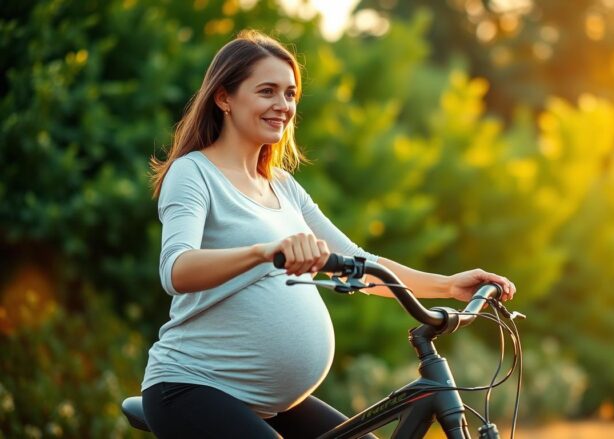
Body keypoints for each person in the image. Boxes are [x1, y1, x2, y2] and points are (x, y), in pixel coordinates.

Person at [141, 29, 516, 438]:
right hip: (191, 388)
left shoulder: (282, 185)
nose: (282, 106)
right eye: (267, 91)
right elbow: (176, 270)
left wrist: (447, 286)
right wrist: (266, 251)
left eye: (289, 94)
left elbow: (357, 262)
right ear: (224, 97)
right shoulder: (194, 173)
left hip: (272, 402)